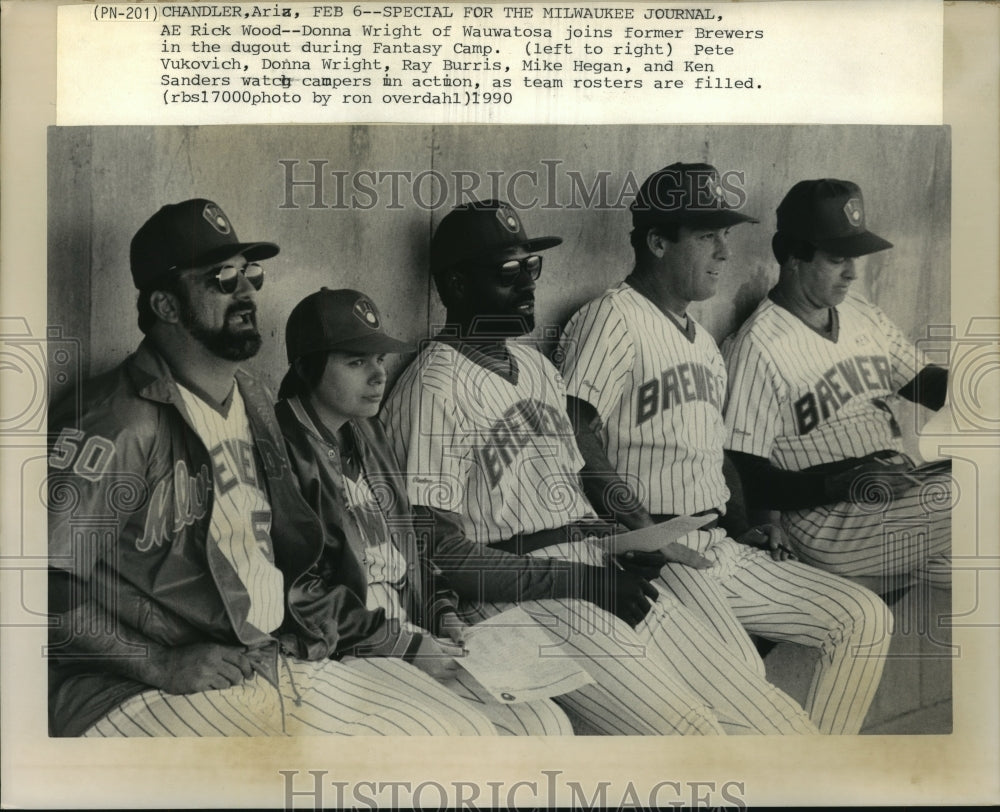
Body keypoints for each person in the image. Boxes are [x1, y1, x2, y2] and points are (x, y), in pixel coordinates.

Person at [47, 198, 496, 737]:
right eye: (221, 278)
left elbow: (299, 561)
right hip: (144, 684)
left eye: (249, 273)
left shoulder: (254, 398)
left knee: (463, 733)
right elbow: (38, 581)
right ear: (165, 305)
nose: (246, 291)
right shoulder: (118, 419)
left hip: (264, 655)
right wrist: (155, 664)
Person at [381, 198, 819, 736]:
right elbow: (437, 554)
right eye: (506, 272)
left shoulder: (536, 367)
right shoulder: (432, 388)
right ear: (455, 285)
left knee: (776, 720)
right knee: (693, 735)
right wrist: (586, 580)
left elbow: (566, 503)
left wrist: (633, 543)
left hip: (587, 570)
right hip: (510, 599)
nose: (527, 286)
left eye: (531, 267)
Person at [558, 165, 892, 734]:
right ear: (658, 242)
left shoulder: (703, 342)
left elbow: (718, 450)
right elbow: (573, 428)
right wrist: (638, 529)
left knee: (861, 618)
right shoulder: (611, 318)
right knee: (747, 689)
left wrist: (749, 520)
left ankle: (824, 775)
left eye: (725, 235)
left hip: (715, 542)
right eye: (707, 235)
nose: (723, 250)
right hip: (655, 549)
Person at [274, 287, 573, 735]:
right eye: (356, 362)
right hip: (343, 646)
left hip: (406, 625)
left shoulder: (366, 432)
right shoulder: (280, 451)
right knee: (469, 737)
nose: (377, 375)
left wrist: (441, 611)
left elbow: (412, 544)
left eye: (379, 359)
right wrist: (407, 644)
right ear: (306, 366)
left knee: (545, 724)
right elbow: (302, 596)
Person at [722, 178, 950, 585]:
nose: (851, 273)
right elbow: (747, 477)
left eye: (854, 257)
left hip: (896, 494)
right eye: (836, 259)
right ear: (791, 255)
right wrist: (840, 484)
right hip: (827, 522)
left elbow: (926, 383)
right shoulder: (757, 346)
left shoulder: (858, 310)